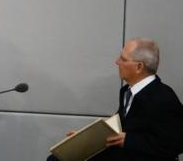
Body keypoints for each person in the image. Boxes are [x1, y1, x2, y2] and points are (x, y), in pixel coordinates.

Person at [47, 38, 183, 161]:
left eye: (123, 59)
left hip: (137, 156)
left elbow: (175, 144)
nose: (116, 62)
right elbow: (119, 128)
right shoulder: (126, 91)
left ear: (139, 67)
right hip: (122, 153)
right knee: (57, 159)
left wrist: (129, 140)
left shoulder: (163, 98)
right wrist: (86, 139)